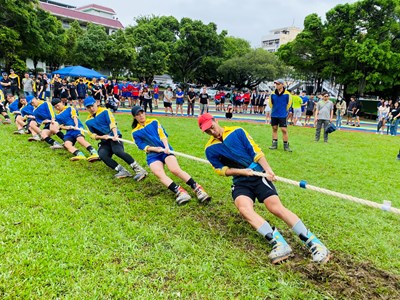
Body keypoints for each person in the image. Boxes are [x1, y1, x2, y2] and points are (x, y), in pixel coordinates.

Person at [198, 113, 330, 264]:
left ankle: (315, 244)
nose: (212, 132)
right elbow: (220, 170)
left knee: (275, 207)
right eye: (208, 131)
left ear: (215, 120)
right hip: (240, 181)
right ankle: (279, 243)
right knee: (244, 209)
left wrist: (268, 170)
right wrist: (240, 172)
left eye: (212, 128)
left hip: (258, 174)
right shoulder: (210, 149)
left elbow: (256, 151)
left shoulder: (237, 131)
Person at [131, 106, 211, 205]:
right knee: (158, 173)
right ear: (135, 117)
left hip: (165, 150)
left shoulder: (154, 122)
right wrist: (154, 149)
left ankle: (197, 188)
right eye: (138, 115)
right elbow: (140, 145)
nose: (141, 116)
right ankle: (180, 192)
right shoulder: (135, 132)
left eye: (142, 113)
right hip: (152, 154)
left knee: (174, 169)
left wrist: (166, 147)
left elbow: (162, 134)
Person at [84, 96, 148, 180]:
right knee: (102, 155)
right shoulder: (88, 121)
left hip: (115, 136)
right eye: (89, 107)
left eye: (92, 105)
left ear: (96, 103)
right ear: (86, 108)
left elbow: (112, 123)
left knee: (117, 151)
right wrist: (101, 137)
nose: (91, 108)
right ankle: (122, 171)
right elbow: (91, 134)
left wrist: (114, 135)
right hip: (105, 141)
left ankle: (139, 170)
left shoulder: (105, 112)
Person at [50, 98, 100, 162]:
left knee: (80, 139)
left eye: (58, 105)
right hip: (69, 132)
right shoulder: (57, 116)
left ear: (61, 103)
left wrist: (76, 125)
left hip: (78, 127)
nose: (57, 107)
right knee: (67, 144)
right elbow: (60, 126)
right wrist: (67, 128)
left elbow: (75, 117)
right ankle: (79, 154)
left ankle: (94, 153)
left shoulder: (70, 108)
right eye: (55, 107)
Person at [268, 79, 292, 152]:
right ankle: (274, 144)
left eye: (278, 84)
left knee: (284, 129)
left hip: (282, 114)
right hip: (274, 114)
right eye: (276, 84)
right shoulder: (272, 94)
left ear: (282, 85)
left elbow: (289, 104)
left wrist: (284, 111)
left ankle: (286, 146)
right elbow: (270, 104)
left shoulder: (287, 94)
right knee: (274, 128)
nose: (277, 85)